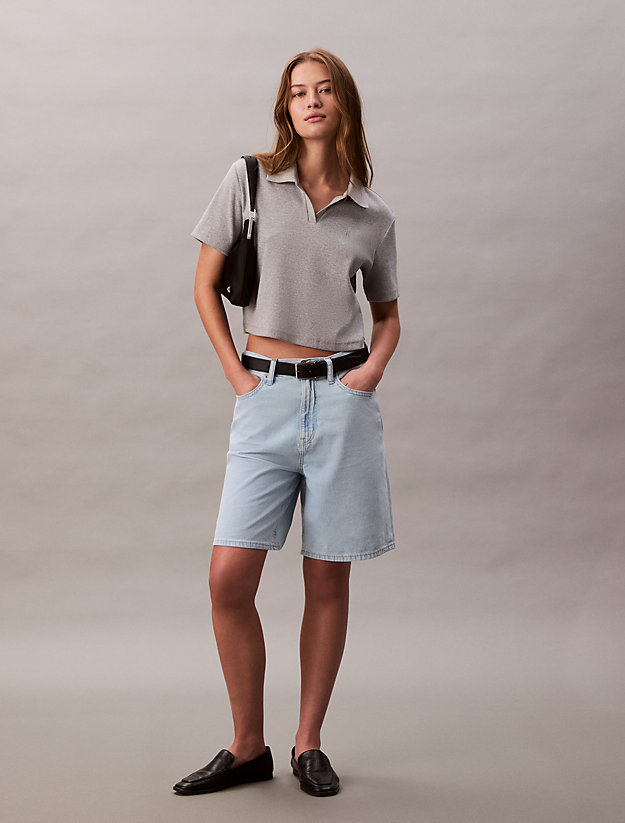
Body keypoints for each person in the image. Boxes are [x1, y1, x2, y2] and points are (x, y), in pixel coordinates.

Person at [173, 47, 400, 798]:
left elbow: (388, 316)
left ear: (344, 104)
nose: (311, 101)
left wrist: (368, 374)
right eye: (298, 92)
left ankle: (308, 743)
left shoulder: (372, 215)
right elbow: (205, 287)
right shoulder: (248, 182)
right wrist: (238, 375)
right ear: (286, 106)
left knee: (326, 577)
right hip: (265, 397)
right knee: (228, 579)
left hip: (341, 402)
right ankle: (247, 746)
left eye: (324, 89)